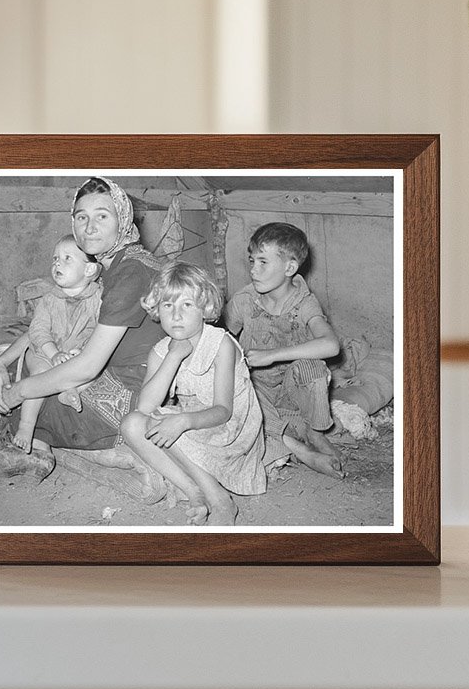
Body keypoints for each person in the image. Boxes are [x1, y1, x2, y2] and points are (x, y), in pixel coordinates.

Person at [0, 176, 164, 476]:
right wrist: (1, 362)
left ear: (122, 220)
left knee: (30, 386)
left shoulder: (129, 273)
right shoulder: (114, 266)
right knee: (33, 359)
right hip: (113, 378)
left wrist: (19, 391)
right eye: (82, 217)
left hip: (127, 398)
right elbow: (44, 331)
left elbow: (87, 368)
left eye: (102, 216)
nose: (90, 227)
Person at [120, 262, 266, 526]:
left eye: (187, 305)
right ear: (157, 309)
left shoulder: (220, 343)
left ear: (205, 309)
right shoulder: (161, 351)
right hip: (194, 425)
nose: (176, 315)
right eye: (168, 305)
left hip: (230, 430)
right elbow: (145, 407)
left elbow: (224, 411)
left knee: (162, 424)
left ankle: (220, 501)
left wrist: (183, 421)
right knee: (131, 424)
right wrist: (173, 356)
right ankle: (193, 490)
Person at [225, 222, 344, 479]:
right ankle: (303, 451)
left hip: (292, 392)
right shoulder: (244, 301)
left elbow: (331, 345)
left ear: (290, 268)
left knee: (313, 367)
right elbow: (223, 339)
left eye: (263, 262)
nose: (253, 270)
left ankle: (316, 433)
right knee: (240, 394)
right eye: (252, 261)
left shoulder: (304, 303)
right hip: (256, 390)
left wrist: (271, 355)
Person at [13, 235, 102, 454]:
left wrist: (82, 350)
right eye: (55, 259)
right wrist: (52, 353)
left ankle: (69, 390)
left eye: (67, 258)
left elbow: (102, 330)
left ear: (89, 270)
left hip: (75, 354)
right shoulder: (49, 299)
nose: (57, 264)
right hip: (43, 351)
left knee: (93, 371)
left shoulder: (98, 299)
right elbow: (38, 330)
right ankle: (26, 426)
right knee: (41, 375)